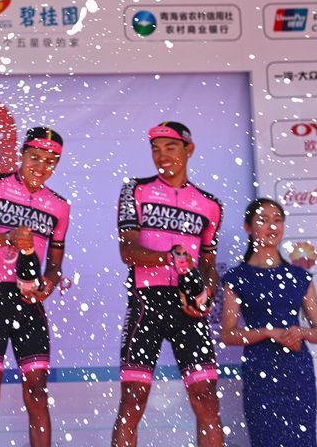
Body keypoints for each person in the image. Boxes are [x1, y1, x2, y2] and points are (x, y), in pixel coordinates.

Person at [112, 121, 224, 446]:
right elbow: (127, 251)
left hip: (189, 309)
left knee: (207, 401)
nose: (162, 156)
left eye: (170, 148)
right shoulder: (135, 190)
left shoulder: (209, 204)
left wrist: (207, 293)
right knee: (132, 401)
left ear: (189, 150)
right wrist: (168, 258)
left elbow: (208, 264)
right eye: (156, 150)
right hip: (147, 302)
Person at [0, 126, 70, 447]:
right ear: (22, 154)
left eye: (50, 162)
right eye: (35, 158)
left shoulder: (59, 206)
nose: (41, 167)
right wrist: (8, 237)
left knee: (37, 392)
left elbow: (54, 265)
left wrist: (48, 285)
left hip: (29, 303)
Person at [221, 198, 317, 446]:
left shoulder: (299, 276)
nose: (271, 227)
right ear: (248, 227)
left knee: (302, 440)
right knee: (265, 439)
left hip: (298, 373)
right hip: (261, 373)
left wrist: (300, 332)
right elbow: (228, 335)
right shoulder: (237, 278)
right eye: (263, 220)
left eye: (277, 221)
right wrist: (269, 332)